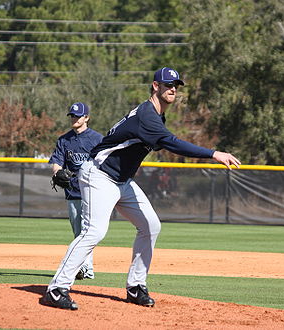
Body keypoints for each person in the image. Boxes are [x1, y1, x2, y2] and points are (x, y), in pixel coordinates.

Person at [43, 67, 241, 310]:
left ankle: (136, 286)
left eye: (175, 86)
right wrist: (213, 153)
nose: (172, 89)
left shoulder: (155, 116)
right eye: (168, 84)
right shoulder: (147, 115)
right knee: (94, 231)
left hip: (121, 181)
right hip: (100, 177)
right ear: (155, 86)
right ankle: (56, 288)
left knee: (151, 225)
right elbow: (171, 143)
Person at [49, 102, 103, 280]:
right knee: (78, 232)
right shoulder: (64, 140)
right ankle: (84, 268)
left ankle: (86, 268)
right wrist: (57, 173)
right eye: (72, 115)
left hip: (92, 192)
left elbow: (105, 163)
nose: (74, 118)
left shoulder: (97, 139)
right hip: (72, 193)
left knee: (87, 232)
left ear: (86, 117)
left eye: (78, 116)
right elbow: (56, 162)